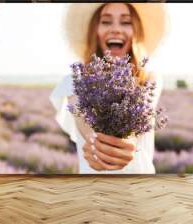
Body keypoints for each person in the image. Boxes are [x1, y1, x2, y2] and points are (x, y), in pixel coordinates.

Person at [50, 3, 166, 174]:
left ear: (136, 31)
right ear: (94, 31)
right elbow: (83, 120)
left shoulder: (149, 79)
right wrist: (96, 144)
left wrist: (128, 142)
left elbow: (140, 117)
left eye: (126, 22)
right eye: (106, 21)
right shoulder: (75, 80)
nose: (116, 29)